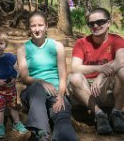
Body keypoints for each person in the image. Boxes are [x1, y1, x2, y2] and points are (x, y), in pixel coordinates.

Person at [17, 11, 77, 141]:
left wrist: (61, 96)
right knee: (37, 87)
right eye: (33, 26)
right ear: (29, 27)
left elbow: (62, 75)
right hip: (33, 94)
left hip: (56, 93)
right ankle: (42, 134)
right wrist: (42, 82)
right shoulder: (22, 49)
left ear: (46, 26)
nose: (37, 29)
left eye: (40, 25)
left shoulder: (57, 46)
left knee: (63, 120)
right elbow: (25, 78)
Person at [67, 7, 124, 135]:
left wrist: (101, 75)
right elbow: (75, 67)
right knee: (74, 77)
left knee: (123, 71)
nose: (96, 26)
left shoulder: (117, 40)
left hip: (107, 88)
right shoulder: (81, 43)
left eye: (100, 22)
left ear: (109, 23)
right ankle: (99, 115)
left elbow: (121, 60)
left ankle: (117, 113)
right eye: (91, 23)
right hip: (85, 90)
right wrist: (99, 68)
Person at [0, 30, 28, 139]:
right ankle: (0, 126)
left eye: (1, 43)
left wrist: (15, 78)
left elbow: (17, 70)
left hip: (10, 88)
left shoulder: (10, 57)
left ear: (5, 44)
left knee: (13, 106)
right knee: (0, 109)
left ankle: (17, 123)